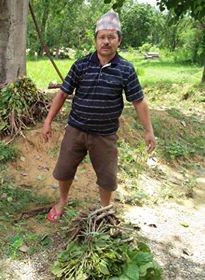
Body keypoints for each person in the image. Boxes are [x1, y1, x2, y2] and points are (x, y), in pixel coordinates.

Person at [41, 11, 156, 221]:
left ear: (119, 41)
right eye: (102, 37)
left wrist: (149, 131)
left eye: (111, 37)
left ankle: (104, 210)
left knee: (107, 177)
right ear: (95, 40)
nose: (106, 42)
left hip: (105, 134)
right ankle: (61, 202)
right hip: (75, 129)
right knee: (65, 169)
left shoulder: (126, 70)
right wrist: (48, 121)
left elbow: (138, 101)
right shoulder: (81, 65)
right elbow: (62, 93)